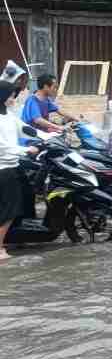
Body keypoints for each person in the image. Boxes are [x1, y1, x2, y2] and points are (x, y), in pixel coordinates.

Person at [0, 81, 39, 261]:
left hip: (14, 166)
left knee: (27, 197)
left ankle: (17, 238)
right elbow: (3, 146)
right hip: (4, 169)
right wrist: (25, 150)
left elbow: (25, 129)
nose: (13, 98)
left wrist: (53, 133)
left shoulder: (8, 115)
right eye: (10, 95)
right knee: (9, 210)